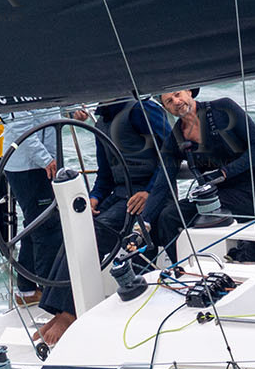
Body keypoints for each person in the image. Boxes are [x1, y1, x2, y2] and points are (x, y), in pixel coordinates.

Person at [34, 97, 174, 345]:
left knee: (97, 233)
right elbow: (105, 175)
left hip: (149, 194)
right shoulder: (102, 122)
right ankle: (59, 311)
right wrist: (95, 198)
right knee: (74, 230)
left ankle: (70, 314)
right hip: (119, 194)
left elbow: (172, 152)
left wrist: (151, 191)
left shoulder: (144, 109)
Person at [151, 88, 255, 265]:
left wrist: (224, 173)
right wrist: (144, 224)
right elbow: (162, 185)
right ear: (166, 108)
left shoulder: (223, 108)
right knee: (168, 217)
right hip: (211, 201)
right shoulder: (175, 137)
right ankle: (184, 269)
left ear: (189, 92)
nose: (176, 102)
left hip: (250, 195)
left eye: (177, 95)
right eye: (169, 101)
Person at [0, 106, 68, 307]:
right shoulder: (18, 84)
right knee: (46, 228)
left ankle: (27, 289)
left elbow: (49, 106)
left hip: (36, 164)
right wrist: (46, 160)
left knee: (34, 224)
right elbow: (21, 127)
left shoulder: (37, 79)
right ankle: (50, 293)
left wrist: (70, 113)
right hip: (30, 167)